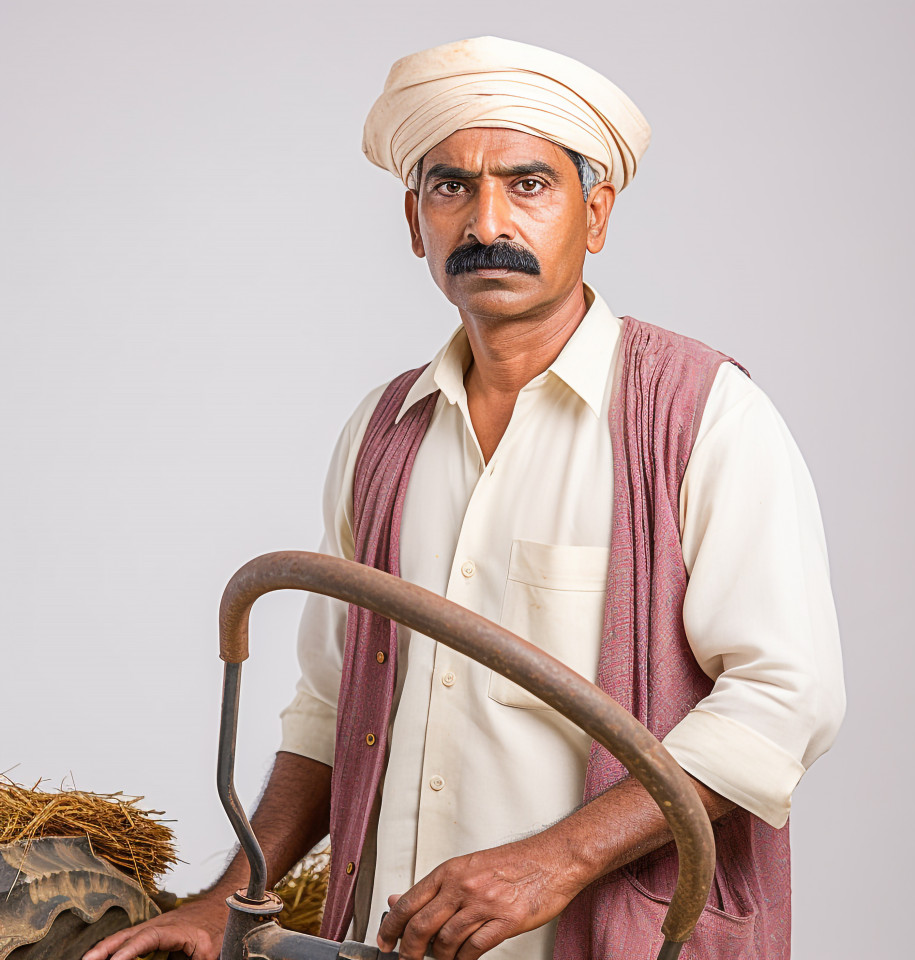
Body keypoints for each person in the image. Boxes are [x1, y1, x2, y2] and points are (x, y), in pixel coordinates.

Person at [86, 36, 845, 960]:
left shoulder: (702, 415)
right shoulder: (383, 431)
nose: (488, 219)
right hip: (385, 942)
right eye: (452, 187)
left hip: (615, 941)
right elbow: (331, 704)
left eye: (529, 184)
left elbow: (783, 701)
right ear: (415, 222)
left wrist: (552, 861)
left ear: (595, 213)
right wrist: (232, 900)